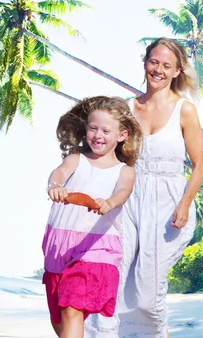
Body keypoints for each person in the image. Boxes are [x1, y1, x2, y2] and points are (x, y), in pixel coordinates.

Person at [85, 37, 203, 338]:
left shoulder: (185, 110)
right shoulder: (126, 108)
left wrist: (185, 203)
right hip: (128, 199)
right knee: (114, 273)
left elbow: (199, 165)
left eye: (167, 65)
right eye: (154, 62)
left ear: (177, 71)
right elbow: (108, 155)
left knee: (148, 290)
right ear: (145, 63)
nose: (159, 70)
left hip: (169, 203)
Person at [41, 96, 142, 338]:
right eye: (93, 128)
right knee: (60, 319)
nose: (98, 135)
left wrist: (109, 203)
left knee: (72, 308)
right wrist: (55, 185)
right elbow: (59, 172)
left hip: (97, 247)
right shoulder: (77, 159)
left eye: (106, 130)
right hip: (60, 244)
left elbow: (122, 193)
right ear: (86, 129)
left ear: (122, 135)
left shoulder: (125, 171)